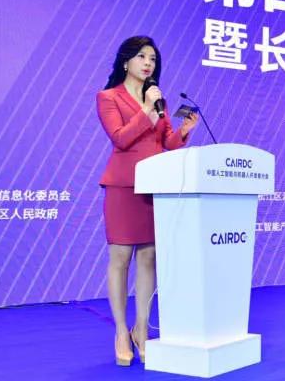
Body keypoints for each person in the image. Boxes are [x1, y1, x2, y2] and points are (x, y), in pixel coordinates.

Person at [95, 36, 198, 366]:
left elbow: (166, 142)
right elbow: (121, 139)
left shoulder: (158, 100)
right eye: (141, 56)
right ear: (126, 61)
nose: (148, 63)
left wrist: (183, 131)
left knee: (149, 257)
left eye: (152, 58)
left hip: (155, 186)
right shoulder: (108, 97)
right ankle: (121, 332)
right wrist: (146, 110)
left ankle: (142, 329)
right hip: (124, 186)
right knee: (121, 257)